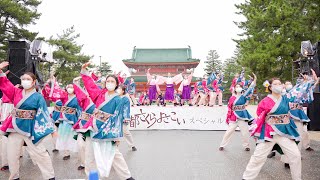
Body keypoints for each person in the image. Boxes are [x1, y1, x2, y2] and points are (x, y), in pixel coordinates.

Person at [242, 76, 311, 180]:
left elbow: (299, 92)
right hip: (269, 133)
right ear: (270, 87)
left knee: (295, 156)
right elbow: (259, 114)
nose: (279, 85)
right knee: (258, 157)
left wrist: (309, 81)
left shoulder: (287, 97)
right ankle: (246, 178)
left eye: (280, 83)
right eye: (275, 84)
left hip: (284, 132)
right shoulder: (264, 101)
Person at [0, 61, 55, 180]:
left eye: (28, 79)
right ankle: (14, 176)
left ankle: (50, 176)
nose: (25, 81)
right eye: (23, 78)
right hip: (14, 126)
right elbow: (5, 84)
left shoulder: (38, 97)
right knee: (12, 155)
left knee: (40, 153)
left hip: (30, 127)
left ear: (33, 82)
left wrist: (50, 129)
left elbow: (43, 114)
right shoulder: (16, 92)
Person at [81, 62, 135, 180]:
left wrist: (116, 136)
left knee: (115, 154)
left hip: (108, 129)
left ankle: (127, 177)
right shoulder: (99, 94)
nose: (109, 83)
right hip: (94, 127)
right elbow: (91, 86)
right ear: (105, 83)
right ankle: (93, 178)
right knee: (90, 156)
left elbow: (118, 118)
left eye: (112, 82)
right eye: (108, 81)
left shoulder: (118, 99)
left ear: (116, 85)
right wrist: (84, 71)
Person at [43, 77, 81, 160]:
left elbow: (80, 109)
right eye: (68, 87)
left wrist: (80, 120)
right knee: (63, 136)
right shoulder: (63, 96)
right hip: (63, 120)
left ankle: (79, 152)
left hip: (73, 120)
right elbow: (56, 91)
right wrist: (53, 82)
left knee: (74, 137)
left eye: (72, 87)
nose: (70, 89)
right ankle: (66, 152)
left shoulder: (77, 98)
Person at [219, 73, 257, 151]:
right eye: (236, 86)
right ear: (234, 88)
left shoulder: (244, 96)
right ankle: (222, 145)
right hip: (234, 117)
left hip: (242, 117)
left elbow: (250, 88)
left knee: (245, 133)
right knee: (228, 132)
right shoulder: (232, 98)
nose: (238, 88)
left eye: (239, 86)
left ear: (242, 88)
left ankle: (246, 146)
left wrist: (255, 80)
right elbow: (229, 108)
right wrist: (228, 116)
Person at [117, 84, 137, 151]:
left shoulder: (125, 99)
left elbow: (126, 109)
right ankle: (115, 147)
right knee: (114, 133)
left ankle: (132, 145)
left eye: (119, 89)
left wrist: (126, 118)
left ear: (123, 91)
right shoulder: (115, 97)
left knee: (126, 132)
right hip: (114, 118)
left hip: (122, 118)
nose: (117, 90)